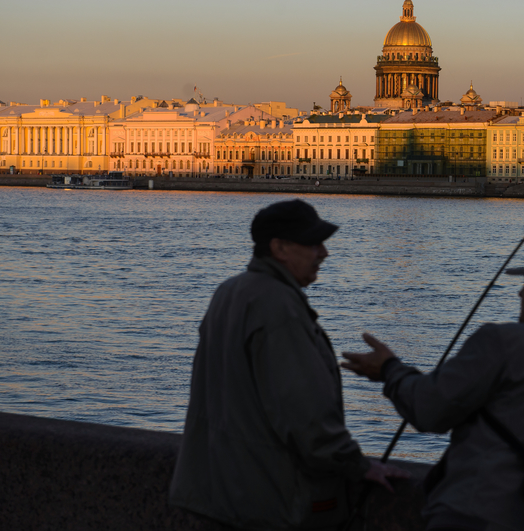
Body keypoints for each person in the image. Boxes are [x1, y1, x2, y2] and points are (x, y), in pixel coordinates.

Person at [170, 199, 407, 530]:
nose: (324, 253)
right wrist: (355, 465)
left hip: (219, 492)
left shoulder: (229, 291)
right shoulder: (278, 307)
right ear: (279, 247)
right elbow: (304, 411)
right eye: (313, 243)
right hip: (269, 502)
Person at [342, 246, 524, 531]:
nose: (520, 294)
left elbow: (429, 409)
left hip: (476, 516)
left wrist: (389, 370)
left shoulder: (504, 342)